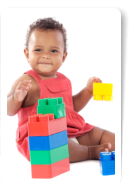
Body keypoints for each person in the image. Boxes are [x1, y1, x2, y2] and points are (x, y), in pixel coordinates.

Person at [7, 18, 115, 163]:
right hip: (40, 136)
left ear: (63, 56)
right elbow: (8, 110)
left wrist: (88, 91)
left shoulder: (64, 80)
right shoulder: (25, 81)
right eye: (38, 50)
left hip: (71, 130)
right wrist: (16, 98)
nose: (45, 55)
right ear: (27, 54)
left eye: (53, 50)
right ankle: (89, 152)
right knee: (54, 144)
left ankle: (101, 145)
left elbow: (72, 107)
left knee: (101, 134)